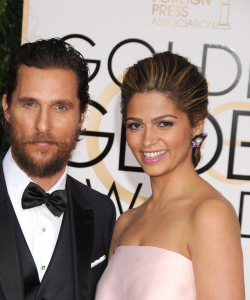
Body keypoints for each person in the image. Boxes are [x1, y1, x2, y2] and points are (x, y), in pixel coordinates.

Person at [0, 38, 115, 300]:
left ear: (82, 115)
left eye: (60, 107)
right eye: (30, 104)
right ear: (7, 107)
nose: (42, 125)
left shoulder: (101, 212)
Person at [95, 52, 245, 300]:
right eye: (136, 125)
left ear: (196, 124)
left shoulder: (209, 214)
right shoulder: (125, 222)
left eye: (163, 123)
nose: (147, 140)